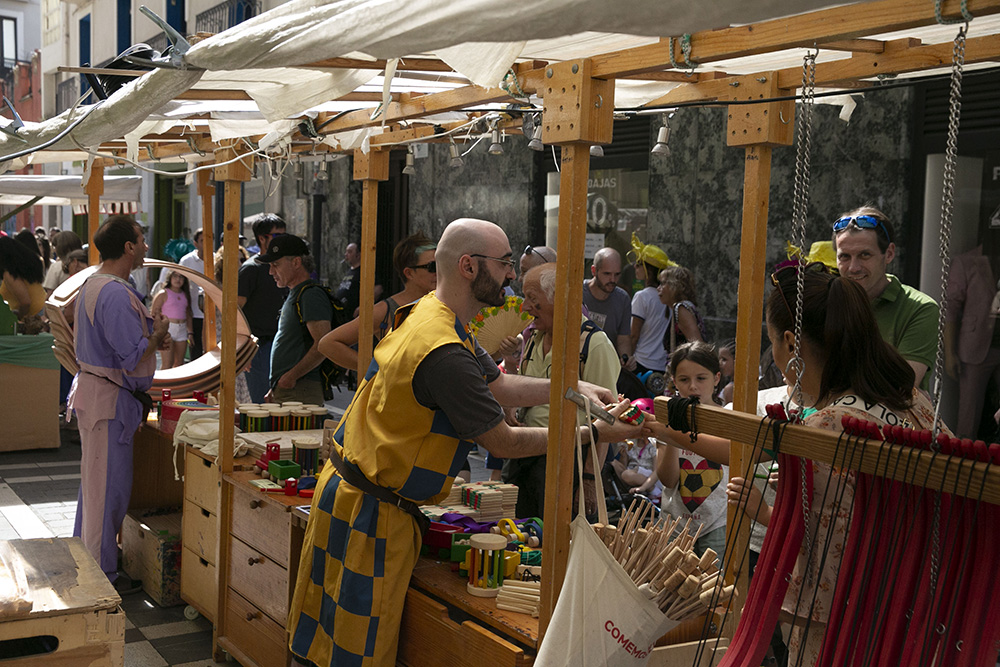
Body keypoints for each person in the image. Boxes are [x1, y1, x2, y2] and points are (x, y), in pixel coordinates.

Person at [286, 218, 638, 667]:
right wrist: (593, 434)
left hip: (349, 496)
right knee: (353, 654)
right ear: (469, 266)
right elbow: (504, 441)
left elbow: (499, 385)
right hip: (372, 516)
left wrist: (575, 389)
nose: (512, 274)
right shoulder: (444, 349)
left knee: (322, 640)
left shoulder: (431, 315)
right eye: (505, 263)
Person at [755, 264, 941, 665]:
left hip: (846, 625)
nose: (773, 355)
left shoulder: (826, 426)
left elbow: (817, 533)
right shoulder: (913, 400)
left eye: (771, 341)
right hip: (917, 611)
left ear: (790, 342)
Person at [69, 215, 169, 586]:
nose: (145, 247)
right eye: (141, 240)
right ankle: (98, 576)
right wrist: (157, 334)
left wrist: (151, 336)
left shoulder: (98, 285)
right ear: (128, 247)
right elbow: (130, 356)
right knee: (106, 494)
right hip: (107, 402)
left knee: (97, 488)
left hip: (103, 399)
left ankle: (92, 563)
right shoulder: (112, 291)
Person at [500, 263, 620, 518]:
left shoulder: (593, 344)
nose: (524, 307)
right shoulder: (533, 338)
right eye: (525, 298)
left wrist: (588, 479)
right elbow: (523, 386)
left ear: (562, 299)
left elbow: (606, 419)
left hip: (569, 463)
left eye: (533, 299)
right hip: (525, 455)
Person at [832, 205, 938, 389]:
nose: (853, 267)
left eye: (864, 255)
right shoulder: (827, 303)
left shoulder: (920, 308)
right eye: (845, 257)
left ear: (889, 253)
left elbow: (899, 388)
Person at [645, 341, 731, 559]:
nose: (693, 386)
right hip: (675, 525)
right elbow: (668, 479)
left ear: (717, 379)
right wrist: (673, 431)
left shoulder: (728, 421)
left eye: (701, 378)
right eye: (684, 380)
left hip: (718, 524)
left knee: (712, 589)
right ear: (674, 382)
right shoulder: (667, 420)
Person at [318, 232, 437, 372]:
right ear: (409, 273)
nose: (440, 271)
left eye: (443, 264)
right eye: (432, 267)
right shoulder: (385, 310)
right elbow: (328, 344)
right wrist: (378, 370)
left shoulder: (448, 303)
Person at [260, 234, 332, 405]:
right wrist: (278, 384)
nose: (271, 272)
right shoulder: (297, 293)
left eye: (275, 265)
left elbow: (323, 344)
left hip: (300, 391)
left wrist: (290, 377)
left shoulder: (310, 295)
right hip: (290, 389)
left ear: (296, 262)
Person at [944, 227, 1000, 439]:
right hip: (975, 347)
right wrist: (950, 353)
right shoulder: (967, 262)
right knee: (969, 412)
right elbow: (951, 309)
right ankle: (960, 462)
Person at [238, 213, 288, 402]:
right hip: (258, 347)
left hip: (279, 344)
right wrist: (244, 350)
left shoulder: (282, 265)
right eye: (278, 236)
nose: (282, 241)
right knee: (262, 406)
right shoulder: (251, 269)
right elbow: (235, 312)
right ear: (262, 238)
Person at [583, 247, 634, 369]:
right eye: (607, 274)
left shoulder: (622, 299)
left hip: (605, 365)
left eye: (617, 274)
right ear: (594, 271)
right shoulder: (577, 292)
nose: (612, 280)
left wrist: (626, 359)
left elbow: (623, 338)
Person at [629, 240, 672, 376]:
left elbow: (634, 335)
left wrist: (627, 359)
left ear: (649, 270)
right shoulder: (668, 296)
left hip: (641, 363)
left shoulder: (642, 296)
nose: (635, 266)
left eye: (639, 264)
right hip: (661, 365)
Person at [657, 264, 706, 365]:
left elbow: (698, 346)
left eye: (662, 284)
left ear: (674, 286)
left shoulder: (681, 309)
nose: (658, 288)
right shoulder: (682, 308)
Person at [150, 270, 194, 369]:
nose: (178, 279)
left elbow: (188, 314)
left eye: (181, 277)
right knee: (167, 364)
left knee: (179, 364)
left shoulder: (185, 294)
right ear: (170, 278)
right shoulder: (163, 293)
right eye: (175, 276)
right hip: (168, 329)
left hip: (182, 330)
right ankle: (163, 384)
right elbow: (154, 312)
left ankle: (178, 384)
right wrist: (158, 331)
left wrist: (190, 333)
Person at [0, 235, 46, 322]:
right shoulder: (23, 269)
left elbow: (25, 302)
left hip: (33, 317)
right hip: (41, 310)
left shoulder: (9, 274)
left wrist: (18, 318)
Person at [177, 229, 207, 358]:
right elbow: (178, 284)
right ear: (195, 243)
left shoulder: (216, 259)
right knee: (195, 353)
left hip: (211, 314)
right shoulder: (186, 261)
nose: (205, 244)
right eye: (202, 241)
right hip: (193, 313)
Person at [335, 241, 361, 319]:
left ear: (358, 255)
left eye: (349, 252)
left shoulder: (362, 271)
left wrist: (363, 307)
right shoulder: (349, 271)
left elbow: (377, 289)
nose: (346, 254)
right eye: (346, 251)